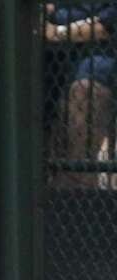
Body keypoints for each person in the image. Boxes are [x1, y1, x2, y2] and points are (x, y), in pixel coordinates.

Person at [45, 3, 117, 188]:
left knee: (86, 86)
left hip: (104, 56)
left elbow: (108, 23)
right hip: (63, 56)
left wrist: (59, 31)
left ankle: (78, 184)